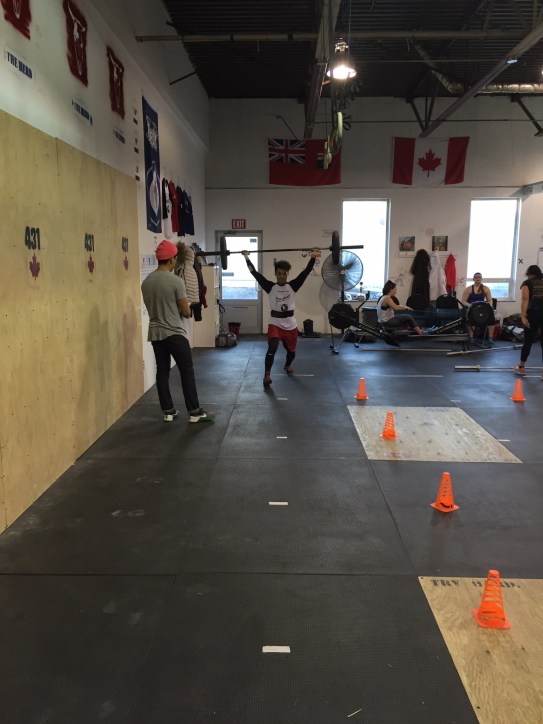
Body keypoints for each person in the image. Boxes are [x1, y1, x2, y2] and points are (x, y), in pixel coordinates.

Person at [141, 239, 213, 423]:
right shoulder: (176, 281)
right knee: (187, 371)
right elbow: (186, 311)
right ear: (173, 259)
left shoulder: (146, 282)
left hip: (156, 334)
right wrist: (187, 306)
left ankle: (168, 411)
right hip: (174, 333)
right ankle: (194, 412)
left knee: (162, 371)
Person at [241, 249, 321, 387]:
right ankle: (267, 375)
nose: (282, 276)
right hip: (275, 323)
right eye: (279, 274)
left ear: (287, 274)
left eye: (284, 274)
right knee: (272, 347)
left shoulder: (293, 286)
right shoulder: (270, 287)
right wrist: (247, 258)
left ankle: (287, 365)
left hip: (290, 324)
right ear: (275, 274)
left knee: (291, 353)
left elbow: (306, 271)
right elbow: (254, 273)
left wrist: (313, 257)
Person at [514, 264, 543, 378]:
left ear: (529, 274)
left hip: (534, 313)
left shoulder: (527, 283)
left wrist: (523, 316)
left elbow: (525, 298)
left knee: (528, 340)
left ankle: (521, 367)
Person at [461, 272, 496, 346]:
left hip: (482, 310)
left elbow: (490, 300)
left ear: (481, 279)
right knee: (471, 320)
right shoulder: (469, 289)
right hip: (472, 310)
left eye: (479, 277)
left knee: (492, 319)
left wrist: (489, 306)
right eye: (476, 277)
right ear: (473, 279)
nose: (478, 278)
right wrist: (470, 305)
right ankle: (471, 337)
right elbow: (463, 301)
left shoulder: (486, 289)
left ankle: (490, 337)